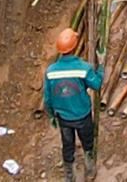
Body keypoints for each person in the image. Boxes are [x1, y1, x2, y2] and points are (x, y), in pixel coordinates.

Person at [42, 27, 103, 182]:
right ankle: (89, 170)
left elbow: (47, 98)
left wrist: (51, 116)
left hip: (63, 118)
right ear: (75, 46)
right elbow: (96, 85)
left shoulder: (50, 71)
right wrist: (101, 67)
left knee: (67, 146)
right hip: (83, 115)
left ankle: (70, 177)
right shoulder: (83, 68)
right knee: (88, 142)